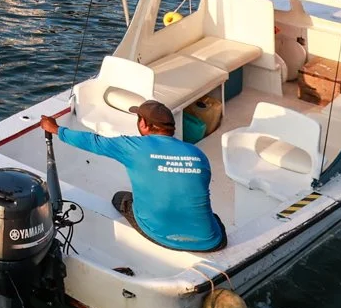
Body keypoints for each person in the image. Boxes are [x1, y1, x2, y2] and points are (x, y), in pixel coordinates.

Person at [38, 101, 226, 252]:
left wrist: (56, 129)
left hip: (160, 236)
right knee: (210, 216)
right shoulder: (197, 154)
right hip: (209, 242)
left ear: (143, 124)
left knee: (120, 198)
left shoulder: (133, 148)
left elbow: (93, 142)